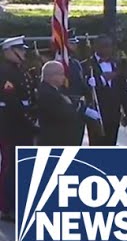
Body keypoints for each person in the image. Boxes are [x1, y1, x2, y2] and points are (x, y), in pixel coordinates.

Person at [0, 36, 39, 222]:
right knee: (9, 166)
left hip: (24, 125)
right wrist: (29, 118)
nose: (23, 53)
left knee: (21, 165)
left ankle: (18, 203)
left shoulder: (21, 71)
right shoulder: (4, 72)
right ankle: (5, 206)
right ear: (8, 52)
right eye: (20, 50)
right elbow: (11, 100)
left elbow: (30, 96)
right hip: (10, 125)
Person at [82, 34, 127, 146]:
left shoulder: (118, 64)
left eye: (109, 46)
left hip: (114, 114)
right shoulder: (87, 65)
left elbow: (123, 90)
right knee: (96, 145)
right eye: (103, 46)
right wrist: (102, 80)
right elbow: (85, 89)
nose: (107, 49)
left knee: (111, 144)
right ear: (96, 47)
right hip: (96, 114)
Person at [36, 61, 101, 146]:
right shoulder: (47, 93)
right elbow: (66, 113)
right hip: (55, 141)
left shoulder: (55, 90)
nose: (64, 77)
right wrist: (80, 110)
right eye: (61, 74)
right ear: (51, 76)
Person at [62, 28, 91, 145]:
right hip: (65, 108)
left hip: (78, 109)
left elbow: (81, 84)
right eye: (72, 43)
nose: (75, 46)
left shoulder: (76, 63)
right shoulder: (59, 63)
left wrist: (88, 86)